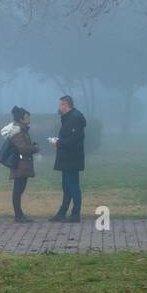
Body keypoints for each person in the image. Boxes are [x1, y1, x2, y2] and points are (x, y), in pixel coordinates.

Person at [48, 94, 87, 222]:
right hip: (67, 157)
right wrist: (60, 141)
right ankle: (62, 212)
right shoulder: (69, 118)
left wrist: (58, 143)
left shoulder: (74, 118)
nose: (59, 107)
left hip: (72, 158)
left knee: (73, 186)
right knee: (66, 186)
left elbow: (74, 139)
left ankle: (76, 214)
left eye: (61, 105)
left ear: (66, 105)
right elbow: (69, 137)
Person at [2, 106, 38, 223]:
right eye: (27, 117)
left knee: (19, 190)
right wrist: (34, 148)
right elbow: (22, 148)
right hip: (20, 165)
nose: (29, 119)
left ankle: (19, 214)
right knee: (18, 191)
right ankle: (18, 215)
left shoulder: (22, 130)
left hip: (22, 165)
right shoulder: (18, 132)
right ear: (21, 119)